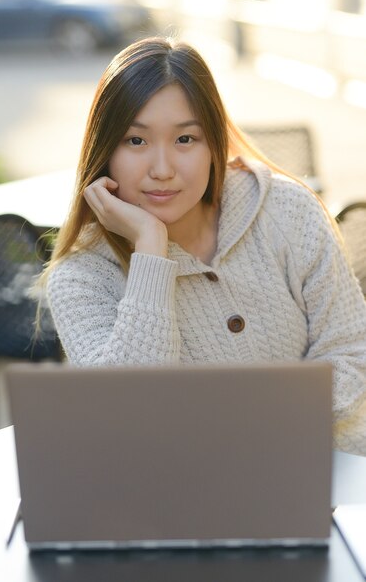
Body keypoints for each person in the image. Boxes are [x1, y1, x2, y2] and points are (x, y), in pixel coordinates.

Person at [43, 36, 366, 454]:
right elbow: (127, 412)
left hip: (335, 469)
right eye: (135, 141)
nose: (162, 170)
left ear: (214, 143)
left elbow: (351, 347)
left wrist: (264, 429)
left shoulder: (286, 210)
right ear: (105, 152)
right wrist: (149, 250)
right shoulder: (83, 276)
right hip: (188, 502)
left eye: (185, 140)